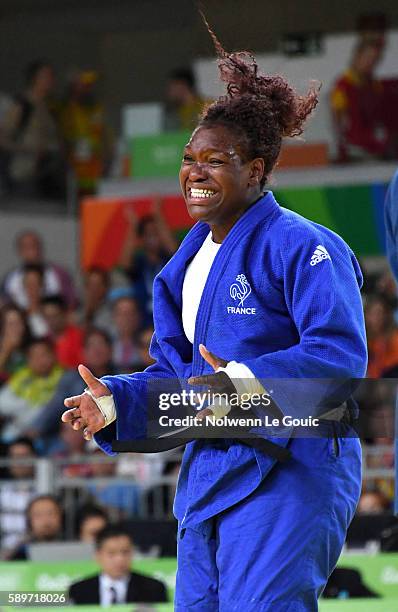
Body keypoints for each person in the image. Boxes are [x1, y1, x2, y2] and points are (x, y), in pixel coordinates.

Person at [62, 19, 367, 610]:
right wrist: (116, 403)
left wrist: (241, 382)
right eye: (189, 159)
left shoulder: (305, 246)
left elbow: (337, 356)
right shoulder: (181, 267)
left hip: (292, 470)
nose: (195, 172)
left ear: (255, 171)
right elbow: (180, 382)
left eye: (215, 160)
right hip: (210, 476)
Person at [0, 60, 65, 198]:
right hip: (23, 173)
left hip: (45, 173)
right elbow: (2, 138)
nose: (50, 80)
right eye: (46, 76)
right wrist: (29, 149)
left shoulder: (47, 107)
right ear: (34, 78)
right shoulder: (22, 105)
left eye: (51, 76)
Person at [68, 524, 168, 605]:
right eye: (111, 553)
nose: (119, 559)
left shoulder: (154, 588)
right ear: (98, 556)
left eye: (125, 552)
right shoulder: (78, 590)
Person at [330, 39, 395, 162]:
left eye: (375, 60)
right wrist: (343, 148)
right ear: (357, 56)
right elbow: (338, 121)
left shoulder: (375, 85)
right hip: (355, 151)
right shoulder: (342, 85)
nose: (370, 63)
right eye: (368, 58)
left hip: (376, 148)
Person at [118, 198, 177, 323]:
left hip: (169, 319)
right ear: (142, 238)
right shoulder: (140, 262)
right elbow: (124, 263)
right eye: (148, 234)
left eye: (155, 233)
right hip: (143, 322)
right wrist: (133, 226)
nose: (152, 238)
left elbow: (174, 250)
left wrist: (158, 215)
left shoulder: (167, 260)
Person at [60, 70, 113, 195]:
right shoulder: (65, 111)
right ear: (73, 87)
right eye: (83, 85)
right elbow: (63, 141)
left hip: (98, 170)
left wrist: (109, 158)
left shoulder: (96, 109)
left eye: (89, 85)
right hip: (76, 172)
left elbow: (106, 136)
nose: (87, 88)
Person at [0, 337, 63, 442]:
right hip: (15, 433)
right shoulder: (22, 377)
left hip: (50, 435)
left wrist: (18, 410)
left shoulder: (65, 377)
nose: (39, 360)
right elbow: (1, 404)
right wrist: (26, 405)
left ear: (53, 355)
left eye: (43, 355)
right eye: (34, 356)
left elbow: (54, 409)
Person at [1, 230, 77, 309]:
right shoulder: (10, 279)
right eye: (26, 247)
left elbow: (71, 302)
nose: (31, 251)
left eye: (34, 246)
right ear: (19, 251)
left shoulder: (59, 274)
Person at [0, 437, 36, 553]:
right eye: (15, 457)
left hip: (36, 548)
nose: (19, 462)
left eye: (24, 456)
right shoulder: (2, 492)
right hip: (5, 552)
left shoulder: (44, 490)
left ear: (34, 458)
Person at [8, 494, 63, 560]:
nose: (46, 520)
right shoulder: (21, 552)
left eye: (51, 513)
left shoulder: (74, 546)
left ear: (60, 516)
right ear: (29, 520)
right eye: (38, 515)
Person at [41, 295, 84, 369]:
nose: (51, 321)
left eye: (55, 316)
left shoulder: (80, 336)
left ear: (65, 314)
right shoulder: (44, 341)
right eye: (47, 317)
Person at [163, 67, 206, 131]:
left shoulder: (208, 106)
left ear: (181, 85)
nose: (168, 92)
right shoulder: (175, 115)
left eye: (171, 87)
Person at [0, 304, 32, 384]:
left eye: (19, 322)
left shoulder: (33, 344)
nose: (16, 328)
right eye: (11, 324)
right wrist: (6, 351)